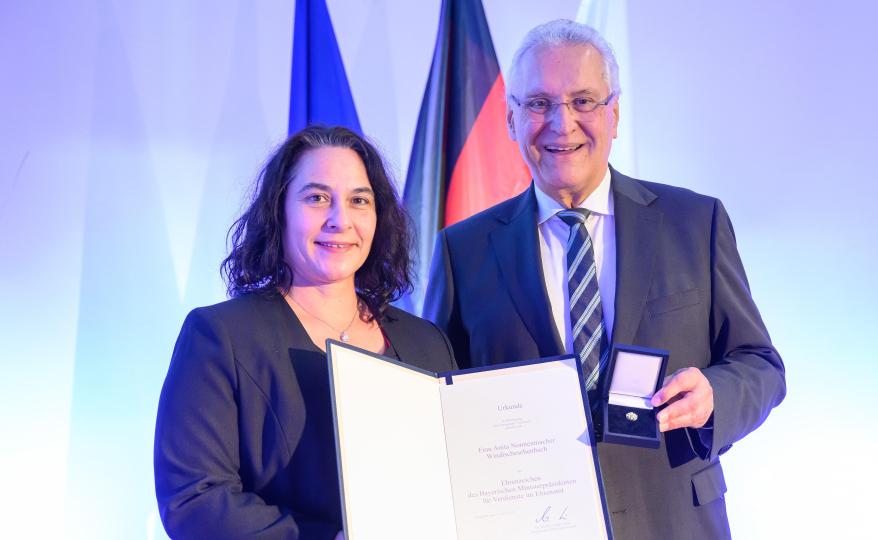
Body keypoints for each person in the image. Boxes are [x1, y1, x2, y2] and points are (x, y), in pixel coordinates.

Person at [425, 19, 785, 539]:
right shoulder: (464, 250)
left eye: (583, 101)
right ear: (510, 119)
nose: (562, 123)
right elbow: (438, 403)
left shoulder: (695, 222)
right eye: (539, 103)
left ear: (614, 114)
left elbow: (761, 365)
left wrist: (715, 395)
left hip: (674, 521)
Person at [154, 125, 456, 539]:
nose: (340, 220)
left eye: (359, 200)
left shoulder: (427, 343)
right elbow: (194, 500)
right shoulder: (221, 337)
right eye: (317, 198)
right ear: (279, 211)